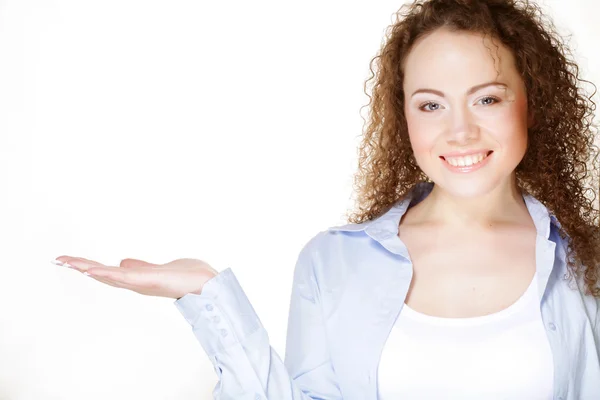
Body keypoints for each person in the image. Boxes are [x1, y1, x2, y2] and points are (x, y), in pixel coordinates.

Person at [52, 0, 600, 398]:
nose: (459, 132)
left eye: (486, 98)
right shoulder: (334, 262)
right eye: (431, 105)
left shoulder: (586, 261)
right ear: (403, 116)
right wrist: (206, 293)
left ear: (532, 104)